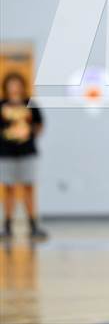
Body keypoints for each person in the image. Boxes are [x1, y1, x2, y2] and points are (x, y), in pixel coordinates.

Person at [0, 72, 48, 240]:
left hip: (27, 152)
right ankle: (7, 225)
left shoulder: (31, 104)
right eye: (11, 84)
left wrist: (28, 133)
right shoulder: (2, 105)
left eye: (17, 84)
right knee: (8, 189)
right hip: (6, 153)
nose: (14, 88)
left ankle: (33, 225)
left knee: (29, 188)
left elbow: (40, 125)